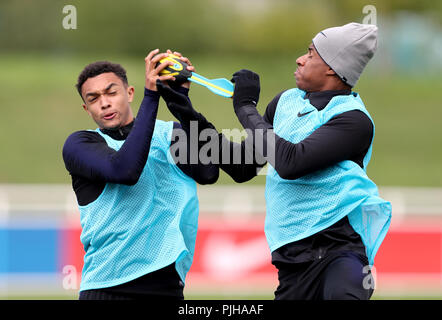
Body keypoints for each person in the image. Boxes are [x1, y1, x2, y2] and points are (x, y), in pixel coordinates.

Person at [162, 23, 392, 300]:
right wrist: (180, 102)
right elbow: (241, 166)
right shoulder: (285, 102)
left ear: (332, 67)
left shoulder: (353, 119)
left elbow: (290, 162)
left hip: (338, 252)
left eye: (311, 53)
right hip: (291, 260)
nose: (300, 59)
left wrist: (246, 108)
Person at [62, 49, 218, 300]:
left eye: (111, 92)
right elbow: (125, 170)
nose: (104, 102)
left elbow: (208, 172)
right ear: (86, 108)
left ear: (130, 93)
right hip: (107, 287)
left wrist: (180, 99)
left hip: (167, 287)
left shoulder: (170, 134)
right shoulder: (80, 144)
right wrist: (152, 96)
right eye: (93, 98)